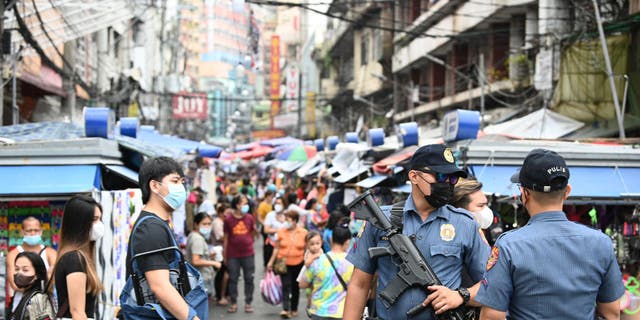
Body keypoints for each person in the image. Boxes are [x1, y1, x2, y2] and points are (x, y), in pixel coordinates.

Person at [344, 144, 491, 320]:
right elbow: (359, 284)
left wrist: (461, 295)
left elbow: (491, 285)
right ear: (414, 176)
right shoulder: (382, 220)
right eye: (441, 176)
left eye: (452, 179)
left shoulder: (465, 224)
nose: (447, 183)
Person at [476, 149, 625, 319]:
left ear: (524, 194)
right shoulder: (600, 242)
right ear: (567, 191)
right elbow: (612, 313)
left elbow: (492, 316)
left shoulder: (509, 245)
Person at [127, 156, 200, 320]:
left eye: (182, 182)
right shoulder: (150, 229)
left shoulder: (159, 223)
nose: (181, 187)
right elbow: (159, 286)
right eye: (174, 181)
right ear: (154, 186)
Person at [53, 195, 104, 319]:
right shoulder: (74, 259)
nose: (99, 224)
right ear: (80, 223)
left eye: (100, 219)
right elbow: (77, 312)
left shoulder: (73, 256)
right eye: (95, 219)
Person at [299, 221, 354, 320]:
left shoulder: (317, 261)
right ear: (347, 242)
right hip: (342, 312)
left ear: (331, 239)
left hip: (319, 311)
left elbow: (302, 284)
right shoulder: (353, 263)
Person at [267, 210, 308, 319]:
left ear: (295, 221)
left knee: (295, 286)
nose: (286, 222)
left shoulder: (303, 232)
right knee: (285, 285)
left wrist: (309, 262)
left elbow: (306, 249)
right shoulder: (281, 232)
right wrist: (270, 262)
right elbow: (276, 248)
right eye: (285, 219)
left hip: (298, 263)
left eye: (288, 219)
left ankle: (294, 308)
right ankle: (285, 309)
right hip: (283, 263)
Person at [6, 217, 57, 301]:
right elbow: (14, 284)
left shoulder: (51, 253)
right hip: (21, 303)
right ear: (22, 232)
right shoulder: (13, 254)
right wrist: (43, 284)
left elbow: (54, 280)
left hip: (46, 303)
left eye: (36, 230)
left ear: (41, 231)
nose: (33, 233)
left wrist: (26, 281)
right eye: (29, 230)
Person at [223, 194, 256, 314]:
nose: (246, 205)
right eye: (244, 203)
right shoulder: (228, 219)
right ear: (237, 205)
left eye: (247, 203)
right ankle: (233, 303)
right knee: (233, 279)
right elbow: (226, 238)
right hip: (233, 255)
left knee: (249, 278)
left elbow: (253, 234)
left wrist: (248, 244)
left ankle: (248, 303)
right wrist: (225, 254)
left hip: (248, 253)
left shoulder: (250, 218)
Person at [186, 212, 221, 298]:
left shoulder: (193, 235)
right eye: (204, 224)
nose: (207, 226)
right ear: (196, 224)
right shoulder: (197, 239)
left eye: (209, 224)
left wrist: (208, 256)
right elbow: (196, 260)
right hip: (202, 277)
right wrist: (214, 263)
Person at [7, 252, 49, 320]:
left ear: (36, 275)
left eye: (25, 270)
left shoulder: (38, 298)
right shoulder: (20, 295)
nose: (19, 273)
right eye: (17, 269)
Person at [296, 231, 323, 313]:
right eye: (312, 244)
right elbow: (307, 263)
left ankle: (313, 306)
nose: (315, 246)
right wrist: (314, 257)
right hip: (309, 274)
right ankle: (309, 306)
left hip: (319, 273)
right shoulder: (308, 253)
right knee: (310, 292)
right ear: (307, 245)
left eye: (317, 243)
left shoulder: (321, 251)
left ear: (321, 243)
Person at [263, 196, 288, 267]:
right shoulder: (270, 215)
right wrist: (280, 230)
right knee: (270, 265)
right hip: (271, 244)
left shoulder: (287, 215)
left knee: (281, 267)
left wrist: (284, 222)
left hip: (284, 245)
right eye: (276, 203)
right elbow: (266, 230)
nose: (278, 205)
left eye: (280, 203)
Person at [212, 203, 229, 306]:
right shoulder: (217, 222)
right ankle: (219, 295)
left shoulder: (224, 222)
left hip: (225, 249)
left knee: (225, 272)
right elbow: (221, 237)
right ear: (220, 213)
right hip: (219, 250)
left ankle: (224, 294)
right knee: (221, 273)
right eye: (226, 213)